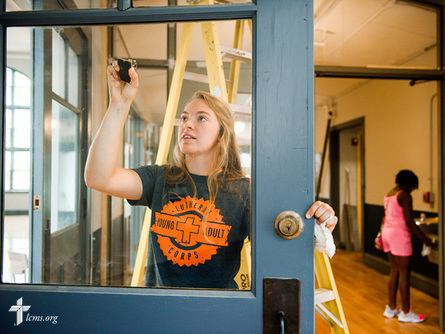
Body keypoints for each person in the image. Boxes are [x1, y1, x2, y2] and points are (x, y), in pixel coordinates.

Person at [85, 61, 338, 289]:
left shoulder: (243, 192)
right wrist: (119, 105)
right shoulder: (160, 179)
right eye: (184, 118)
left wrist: (318, 220)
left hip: (219, 314)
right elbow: (98, 177)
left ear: (222, 134)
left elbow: (288, 237)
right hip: (162, 311)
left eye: (201, 118)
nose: (187, 124)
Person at [381, 170, 433, 322]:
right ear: (408, 183)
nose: (412, 190)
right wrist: (425, 239)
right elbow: (409, 221)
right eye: (412, 186)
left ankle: (391, 308)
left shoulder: (389, 194)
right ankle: (406, 312)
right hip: (399, 235)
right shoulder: (404, 195)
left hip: (387, 233)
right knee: (405, 274)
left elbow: (385, 216)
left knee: (395, 270)